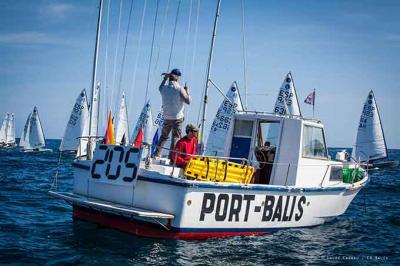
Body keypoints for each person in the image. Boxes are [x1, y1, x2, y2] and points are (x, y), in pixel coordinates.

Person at [154, 68, 192, 158]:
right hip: (177, 117)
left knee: (163, 136)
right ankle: (171, 158)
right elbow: (188, 101)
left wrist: (165, 78)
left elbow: (160, 87)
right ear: (177, 78)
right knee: (175, 137)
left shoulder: (163, 88)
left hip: (167, 116)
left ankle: (156, 154)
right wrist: (188, 91)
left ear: (170, 77)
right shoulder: (179, 88)